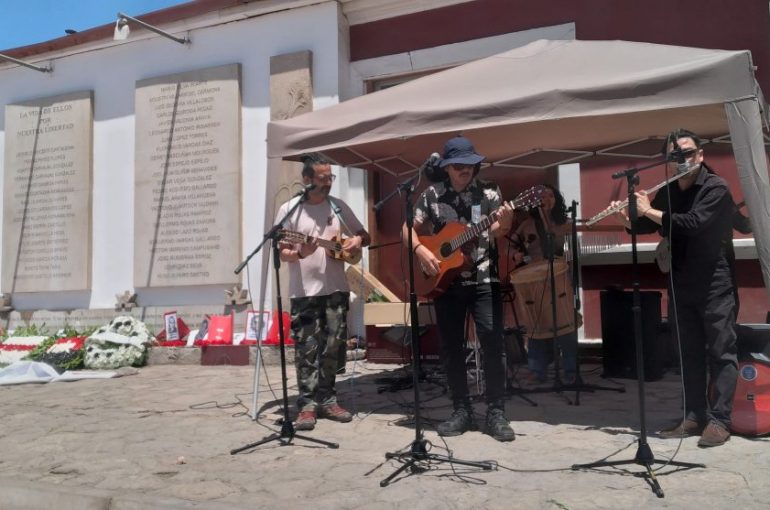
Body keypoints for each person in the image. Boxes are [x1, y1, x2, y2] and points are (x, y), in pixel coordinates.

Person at [606, 128, 742, 447]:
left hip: (715, 282)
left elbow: (692, 224)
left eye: (687, 153)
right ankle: (694, 415)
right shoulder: (668, 191)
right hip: (681, 281)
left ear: (700, 155)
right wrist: (627, 217)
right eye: (675, 156)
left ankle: (720, 420)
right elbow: (647, 224)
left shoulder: (716, 187)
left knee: (721, 351)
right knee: (689, 352)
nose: (682, 160)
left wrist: (650, 211)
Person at [404, 135, 516, 442]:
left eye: (469, 165)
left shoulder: (490, 192)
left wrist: (505, 222)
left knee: (492, 343)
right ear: (447, 167)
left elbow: (497, 231)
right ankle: (461, 410)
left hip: (483, 280)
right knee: (451, 348)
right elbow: (407, 228)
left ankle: (496, 412)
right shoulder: (431, 195)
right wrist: (420, 251)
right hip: (446, 283)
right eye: (458, 165)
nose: (465, 170)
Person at [275, 153, 371, 431]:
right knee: (307, 348)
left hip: (336, 289)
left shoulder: (337, 207)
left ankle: (328, 399)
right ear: (306, 180)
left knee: (332, 347)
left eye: (330, 177)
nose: (328, 183)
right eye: (322, 178)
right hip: (303, 293)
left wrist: (355, 240)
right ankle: (306, 405)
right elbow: (284, 252)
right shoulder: (290, 210)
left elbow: (364, 235)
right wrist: (301, 251)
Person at [510, 184, 577, 385]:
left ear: (556, 200)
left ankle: (570, 369)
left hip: (559, 275)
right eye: (543, 196)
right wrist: (517, 254)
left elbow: (574, 243)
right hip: (534, 278)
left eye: (551, 196)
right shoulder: (527, 224)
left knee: (566, 322)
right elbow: (511, 246)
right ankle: (537, 369)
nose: (547, 199)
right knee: (536, 323)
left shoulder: (563, 222)